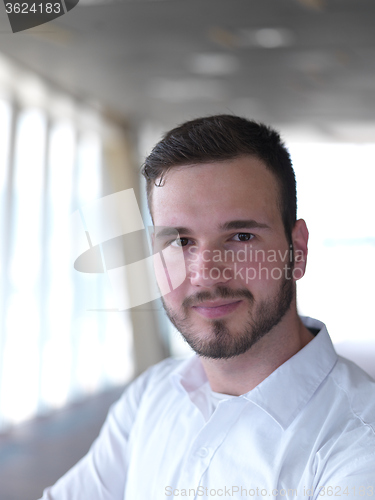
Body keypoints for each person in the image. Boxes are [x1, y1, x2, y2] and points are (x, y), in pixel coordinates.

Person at [39, 115, 375, 500]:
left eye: (241, 236)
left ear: (297, 250)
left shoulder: (356, 446)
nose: (206, 275)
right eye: (179, 242)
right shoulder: (151, 397)